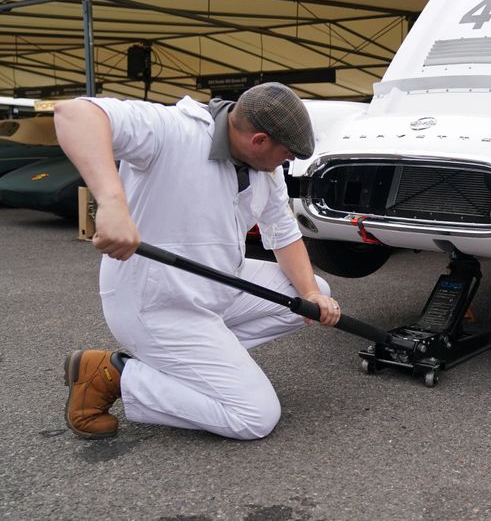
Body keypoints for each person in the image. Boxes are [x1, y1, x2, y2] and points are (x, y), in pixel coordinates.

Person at [54, 82, 341, 441]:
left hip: (218, 286)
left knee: (308, 298)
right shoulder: (172, 129)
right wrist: (111, 203)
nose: (288, 163)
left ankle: (195, 364)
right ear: (259, 140)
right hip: (157, 304)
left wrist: (311, 293)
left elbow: (283, 234)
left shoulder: (265, 170)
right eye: (287, 155)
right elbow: (75, 113)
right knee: (254, 416)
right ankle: (115, 374)